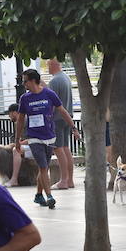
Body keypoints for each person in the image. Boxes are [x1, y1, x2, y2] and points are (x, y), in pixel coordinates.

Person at [14, 68, 77, 209]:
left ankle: (38, 194)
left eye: (25, 81)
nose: (24, 84)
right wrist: (17, 139)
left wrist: (73, 128)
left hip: (49, 137)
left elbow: (63, 111)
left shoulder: (49, 94)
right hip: (34, 138)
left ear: (33, 81)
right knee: (43, 167)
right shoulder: (25, 98)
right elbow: (20, 120)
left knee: (44, 167)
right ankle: (49, 197)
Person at [47, 58, 80, 189]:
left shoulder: (54, 81)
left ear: (54, 64)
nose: (48, 67)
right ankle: (70, 180)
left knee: (58, 149)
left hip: (57, 118)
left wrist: (48, 118)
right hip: (68, 116)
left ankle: (64, 180)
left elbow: (52, 103)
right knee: (66, 148)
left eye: (49, 64)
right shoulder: (66, 78)